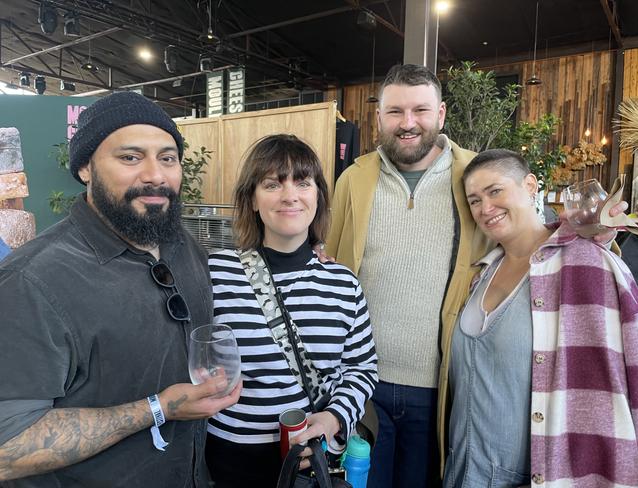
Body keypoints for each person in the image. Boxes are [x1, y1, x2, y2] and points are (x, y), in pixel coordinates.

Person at [0, 91, 241, 487]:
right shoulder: (33, 281)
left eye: (168, 158)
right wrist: (159, 408)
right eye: (130, 157)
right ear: (85, 169)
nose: (155, 175)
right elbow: (7, 446)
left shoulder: (184, 247)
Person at [443, 149, 638, 487]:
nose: (485, 208)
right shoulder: (479, 275)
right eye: (474, 200)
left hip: (548, 475)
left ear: (529, 186)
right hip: (465, 472)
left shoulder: (586, 261)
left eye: (495, 191)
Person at [327, 63, 487, 487]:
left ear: (442, 114)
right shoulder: (353, 180)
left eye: (420, 110)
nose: (408, 123)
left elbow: (521, 245)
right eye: (395, 111)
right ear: (378, 117)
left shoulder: (474, 177)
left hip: (438, 386)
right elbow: (335, 268)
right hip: (362, 385)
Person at [205, 134, 378, 487]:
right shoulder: (216, 273)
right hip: (228, 459)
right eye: (272, 184)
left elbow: (362, 368)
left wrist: (333, 418)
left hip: (309, 462)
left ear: (318, 197)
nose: (289, 195)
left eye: (303, 182)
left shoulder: (343, 283)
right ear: (252, 199)